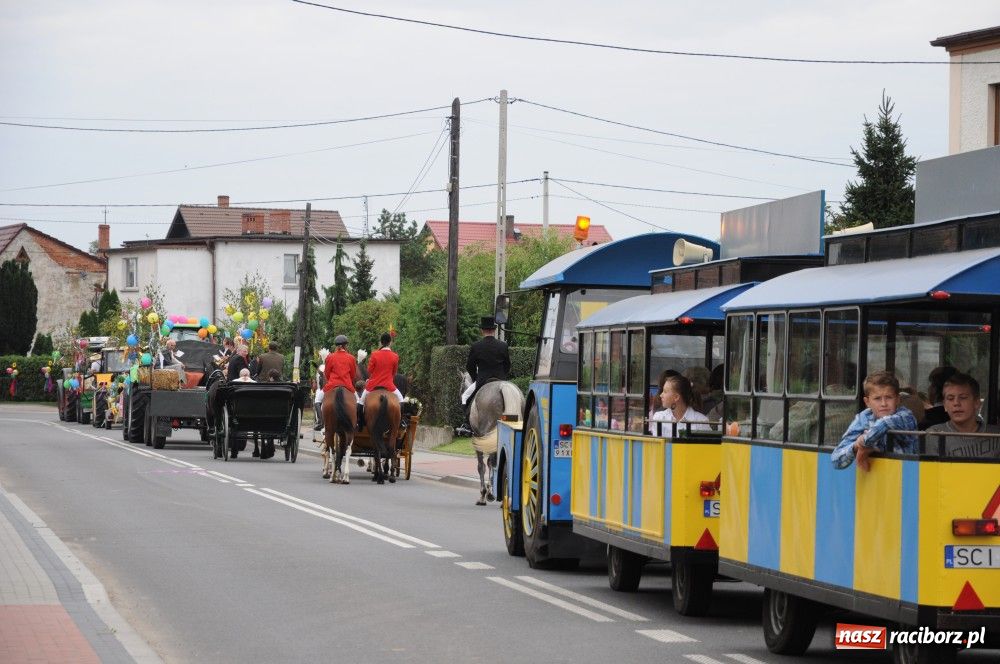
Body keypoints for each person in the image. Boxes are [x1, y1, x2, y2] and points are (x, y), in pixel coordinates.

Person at [831, 371, 918, 471]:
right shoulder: (863, 417)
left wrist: (864, 444)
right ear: (867, 402)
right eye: (877, 398)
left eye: (889, 397)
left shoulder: (906, 416)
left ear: (898, 399)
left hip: (905, 477)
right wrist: (856, 446)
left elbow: (885, 423)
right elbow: (836, 460)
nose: (884, 403)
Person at [926, 373, 1000, 458]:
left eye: (963, 397)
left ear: (977, 403)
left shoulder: (996, 436)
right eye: (950, 399)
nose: (956, 403)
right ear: (945, 405)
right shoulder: (934, 435)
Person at [459, 316, 511, 435]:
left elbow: (469, 366)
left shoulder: (476, 346)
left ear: (482, 330)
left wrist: (476, 378)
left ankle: (467, 424)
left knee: (466, 397)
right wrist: (503, 376)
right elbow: (507, 365)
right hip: (501, 381)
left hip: (483, 380)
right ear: (494, 330)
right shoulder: (503, 346)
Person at [312, 348, 330, 432]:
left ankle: (320, 422)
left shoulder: (322, 366)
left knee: (317, 402)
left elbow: (322, 378)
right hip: (330, 387)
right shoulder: (329, 365)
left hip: (323, 388)